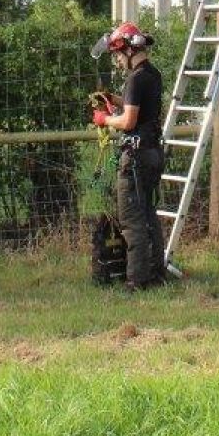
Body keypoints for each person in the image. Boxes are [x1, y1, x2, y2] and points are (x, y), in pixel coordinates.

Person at [90, 22, 166, 290]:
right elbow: (138, 107)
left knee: (131, 220)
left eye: (118, 56)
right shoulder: (152, 74)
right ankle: (157, 272)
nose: (118, 62)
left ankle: (137, 281)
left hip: (135, 157)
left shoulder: (135, 78)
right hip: (153, 153)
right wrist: (114, 98)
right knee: (148, 214)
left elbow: (130, 121)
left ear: (129, 50)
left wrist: (105, 118)